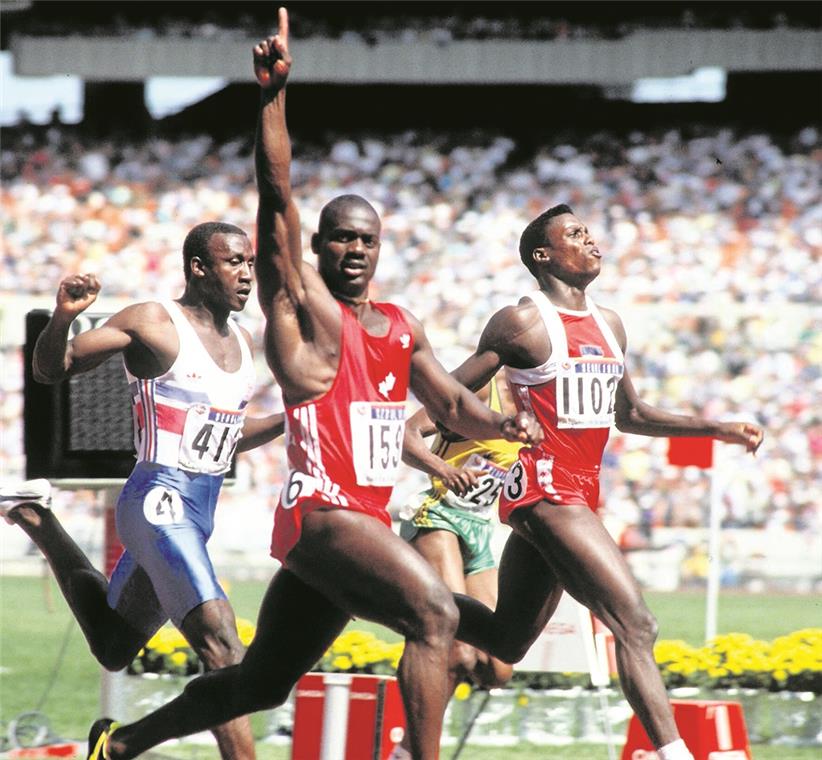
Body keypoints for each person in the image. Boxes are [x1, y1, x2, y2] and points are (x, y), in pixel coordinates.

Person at [84, 9, 542, 760]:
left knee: (262, 683)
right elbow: (276, 198)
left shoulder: (400, 324)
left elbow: (451, 404)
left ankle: (123, 744)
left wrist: (502, 428)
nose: (355, 249)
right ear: (319, 249)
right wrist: (273, 97)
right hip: (322, 517)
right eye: (341, 238)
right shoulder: (302, 313)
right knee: (433, 613)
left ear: (380, 248)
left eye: (367, 240)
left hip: (357, 523)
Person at [435, 204, 763, 760]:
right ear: (544, 256)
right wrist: (420, 443)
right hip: (546, 489)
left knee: (507, 639)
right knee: (635, 622)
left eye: (590, 233)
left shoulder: (609, 325)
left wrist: (717, 427)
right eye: (576, 235)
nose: (594, 243)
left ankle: (406, 598)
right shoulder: (523, 322)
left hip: (578, 494)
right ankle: (673, 755)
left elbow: (629, 414)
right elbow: (446, 397)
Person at [3, 221, 285, 760]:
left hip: (199, 511)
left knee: (113, 645)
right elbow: (51, 369)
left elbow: (225, 438)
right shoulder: (155, 321)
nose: (247, 274)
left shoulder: (245, 343)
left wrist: (288, 420)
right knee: (224, 647)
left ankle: (38, 519)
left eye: (250, 263)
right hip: (158, 500)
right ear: (199, 268)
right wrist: (64, 315)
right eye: (234, 263)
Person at [391, 375, 519, 760]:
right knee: (458, 651)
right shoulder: (484, 390)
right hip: (439, 517)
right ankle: (409, 752)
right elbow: (406, 434)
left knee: (497, 668)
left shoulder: (542, 407)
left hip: (481, 527)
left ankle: (420, 668)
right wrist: (443, 470)